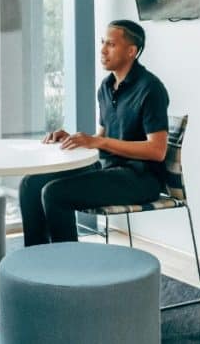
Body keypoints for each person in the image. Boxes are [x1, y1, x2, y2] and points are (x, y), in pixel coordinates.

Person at [19, 19, 169, 245]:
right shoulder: (106, 86)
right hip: (108, 169)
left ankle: (69, 264)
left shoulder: (150, 88)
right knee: (30, 184)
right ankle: (36, 259)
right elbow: (102, 137)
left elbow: (157, 150)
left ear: (131, 51)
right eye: (103, 42)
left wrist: (100, 142)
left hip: (140, 179)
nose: (103, 50)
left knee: (55, 193)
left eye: (111, 44)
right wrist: (75, 139)